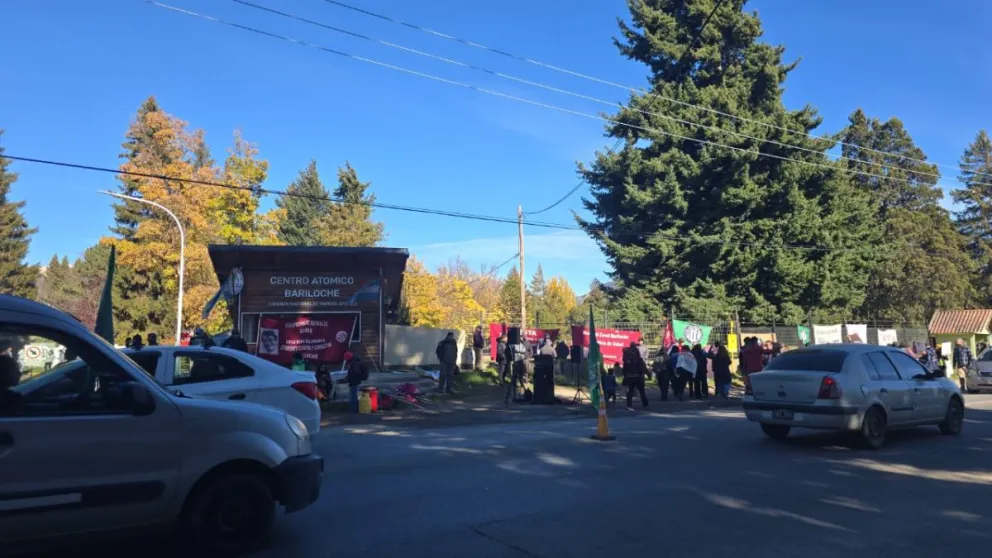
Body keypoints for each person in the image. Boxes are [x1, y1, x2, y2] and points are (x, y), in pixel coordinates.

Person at [622, 342, 649, 410]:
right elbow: (643, 367)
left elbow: (624, 369)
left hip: (629, 377)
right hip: (638, 377)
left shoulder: (627, 358)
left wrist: (625, 376)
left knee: (630, 392)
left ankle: (629, 404)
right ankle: (645, 403)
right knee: (641, 391)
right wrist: (648, 374)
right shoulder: (638, 358)